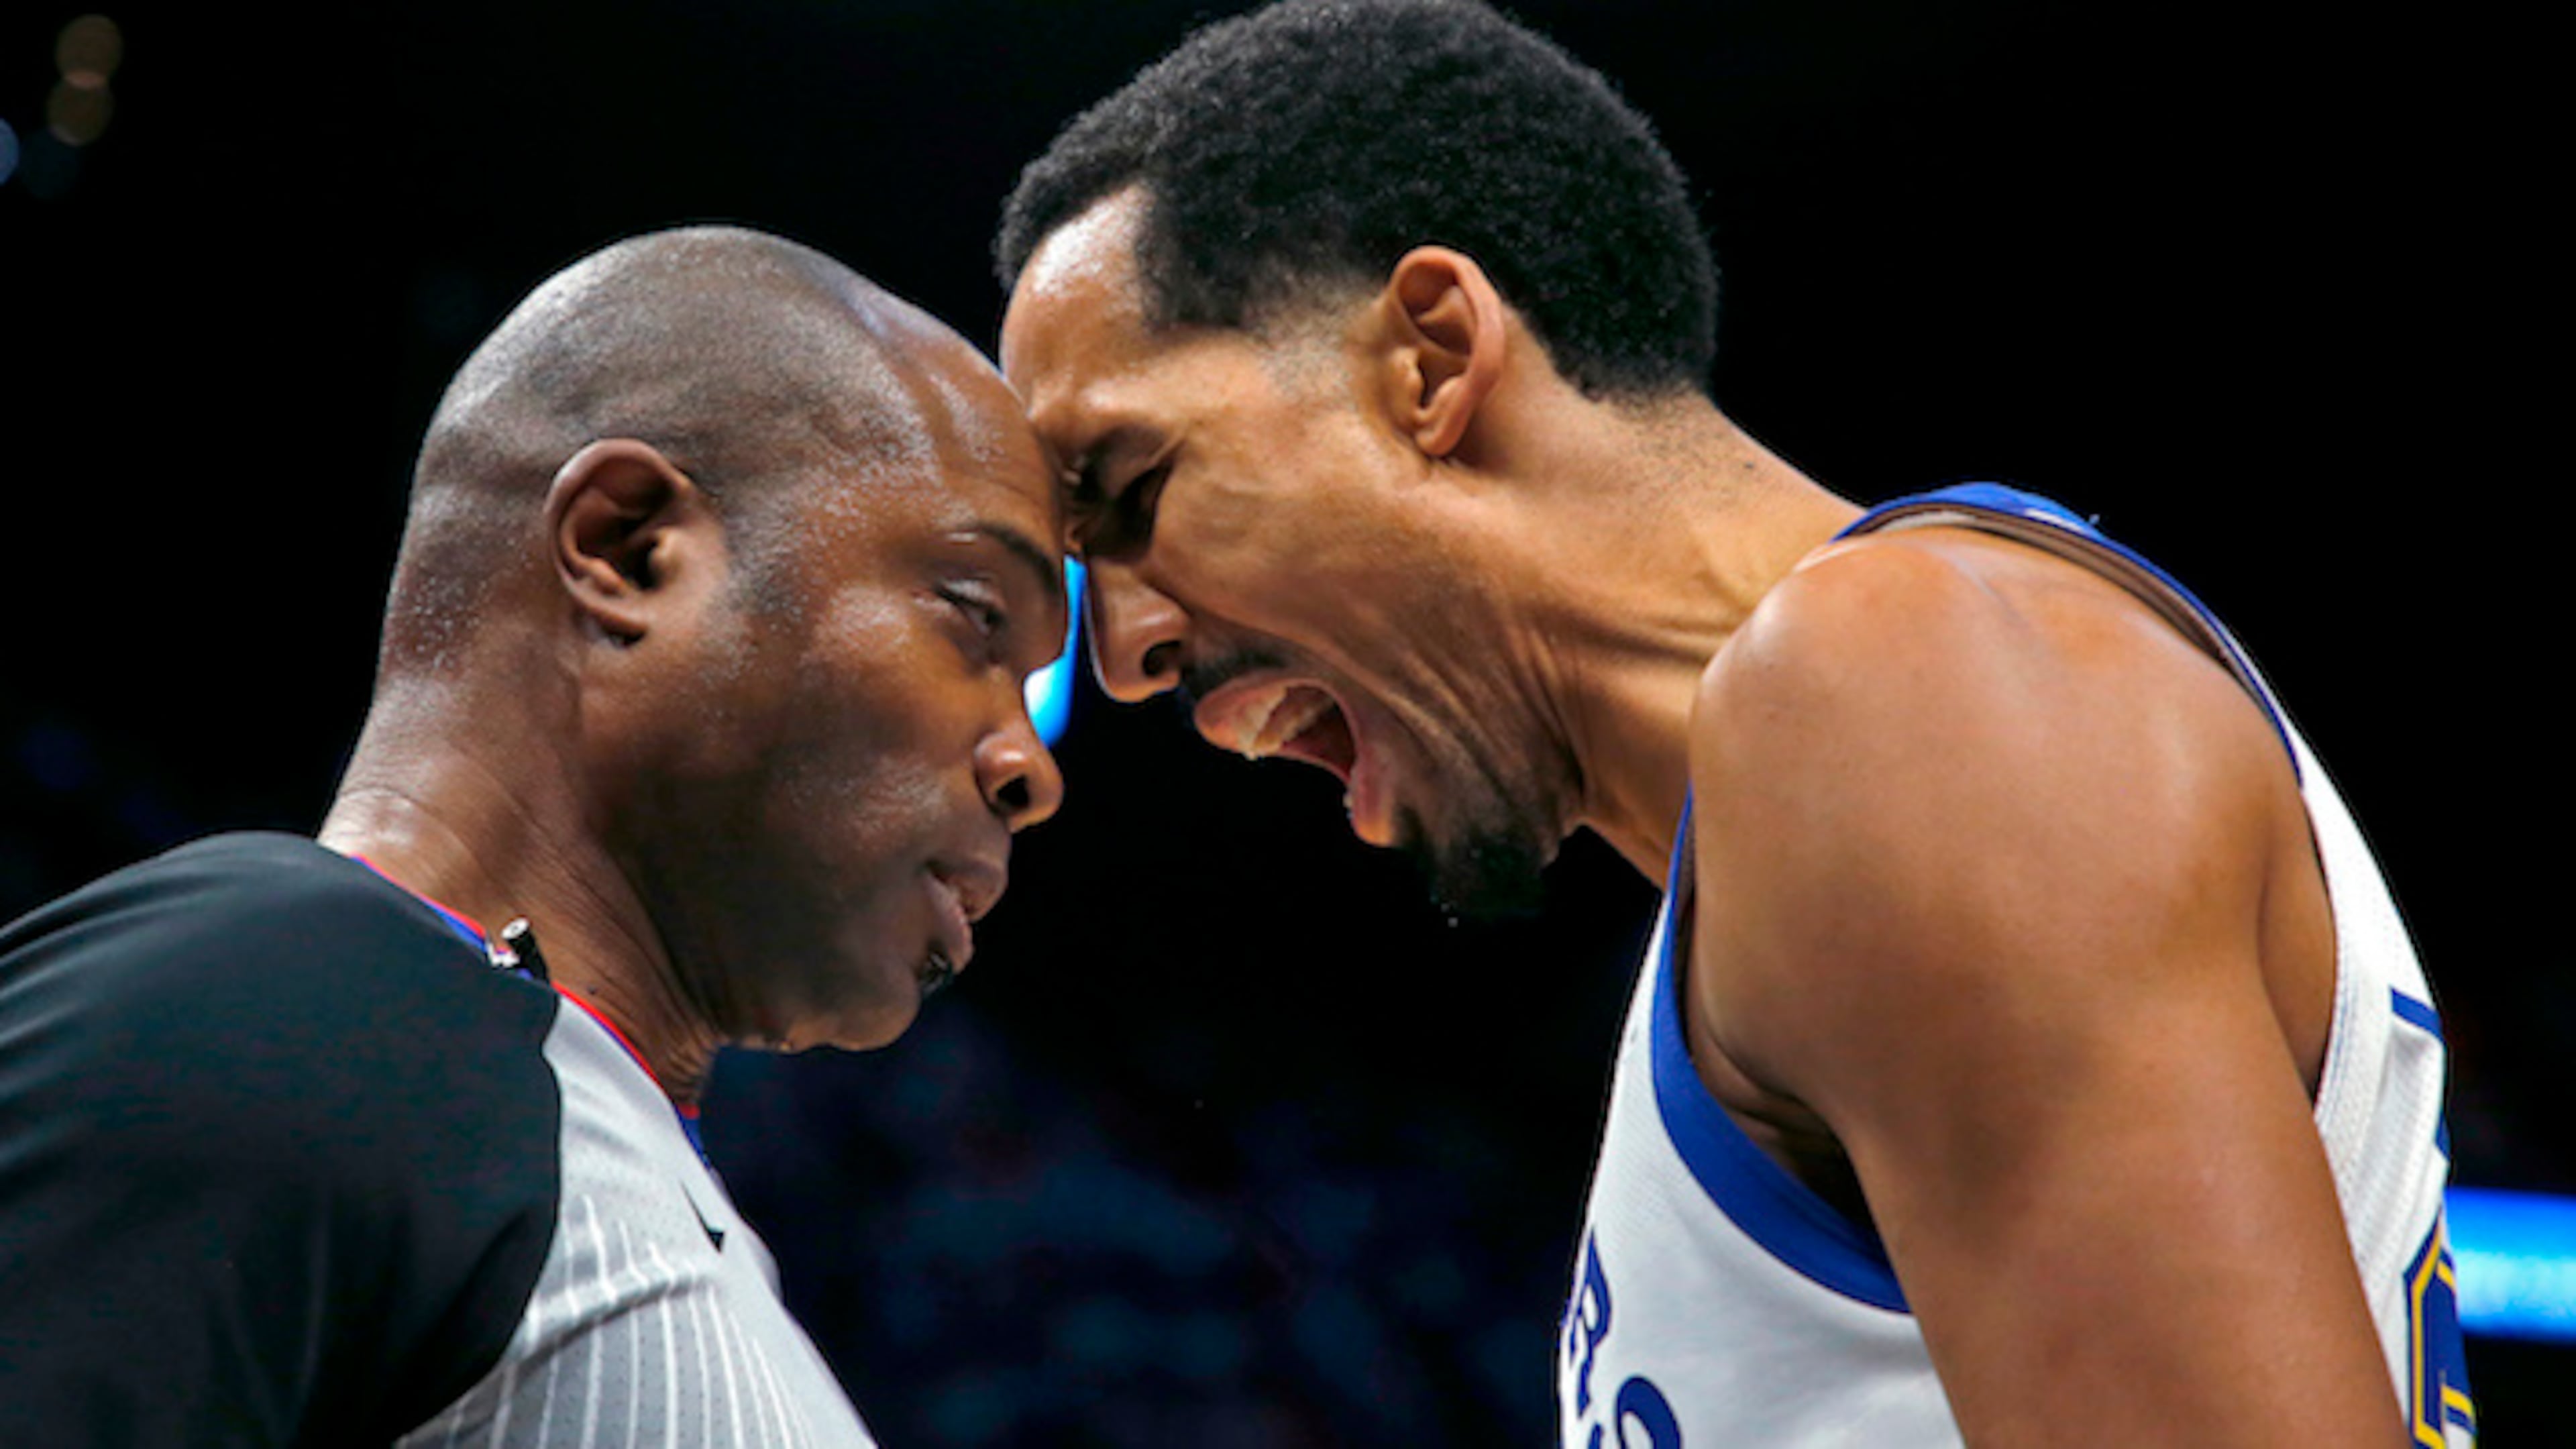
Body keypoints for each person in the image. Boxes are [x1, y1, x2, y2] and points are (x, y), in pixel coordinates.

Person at [991, 1, 2471, 1444]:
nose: (1125, 656)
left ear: (1430, 359)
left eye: (1132, 491)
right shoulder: (1825, 808)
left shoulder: (1907, 691)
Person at [0, 225, 1068, 1444]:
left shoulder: (586, 1160)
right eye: (974, 616)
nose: (1031, 768)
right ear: (631, 551)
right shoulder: (286, 1003)